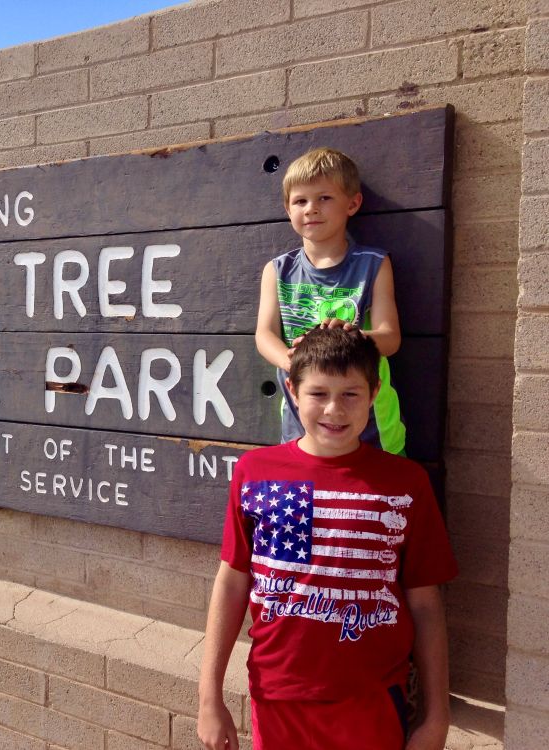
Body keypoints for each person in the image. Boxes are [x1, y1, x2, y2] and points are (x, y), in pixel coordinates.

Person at [197, 327, 457, 750]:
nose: (334, 410)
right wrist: (209, 697)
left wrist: (436, 716)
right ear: (292, 391)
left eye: (350, 394)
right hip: (278, 698)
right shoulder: (255, 472)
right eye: (318, 393)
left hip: (373, 703)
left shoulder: (406, 483)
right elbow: (231, 581)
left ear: (373, 393)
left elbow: (426, 605)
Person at [255, 147, 406, 455]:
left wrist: (354, 336)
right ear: (288, 209)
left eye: (324, 198)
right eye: (300, 201)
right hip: (301, 423)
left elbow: (390, 338)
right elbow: (264, 334)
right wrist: (293, 362)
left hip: (370, 427)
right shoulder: (278, 270)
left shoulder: (373, 264)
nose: (311, 209)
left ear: (352, 203)